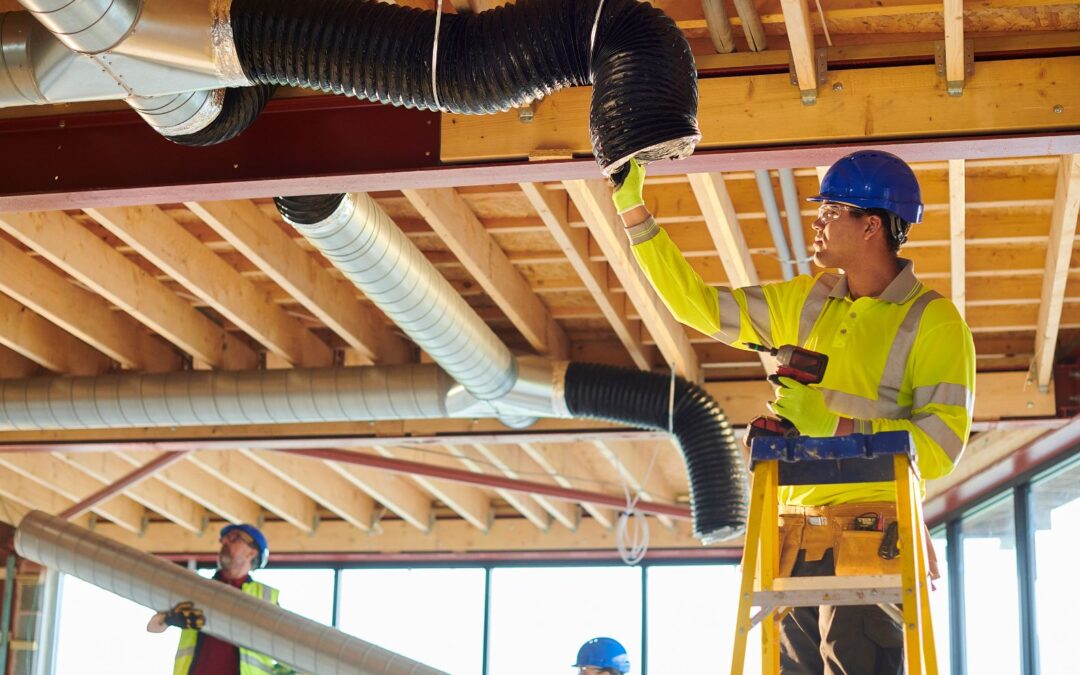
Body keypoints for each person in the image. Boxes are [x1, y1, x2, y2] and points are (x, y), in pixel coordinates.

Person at [612, 152, 975, 674]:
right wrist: (634, 213)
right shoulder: (809, 300)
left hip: (874, 531)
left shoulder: (933, 322)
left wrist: (833, 425)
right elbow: (698, 307)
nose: (817, 221)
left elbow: (940, 449)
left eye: (830, 210)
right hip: (795, 534)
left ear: (870, 224)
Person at [147, 523, 280, 675]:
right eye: (224, 539)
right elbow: (152, 626)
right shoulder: (198, 589)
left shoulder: (265, 598)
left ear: (252, 553)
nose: (225, 542)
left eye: (234, 538)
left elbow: (287, 645)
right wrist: (169, 619)